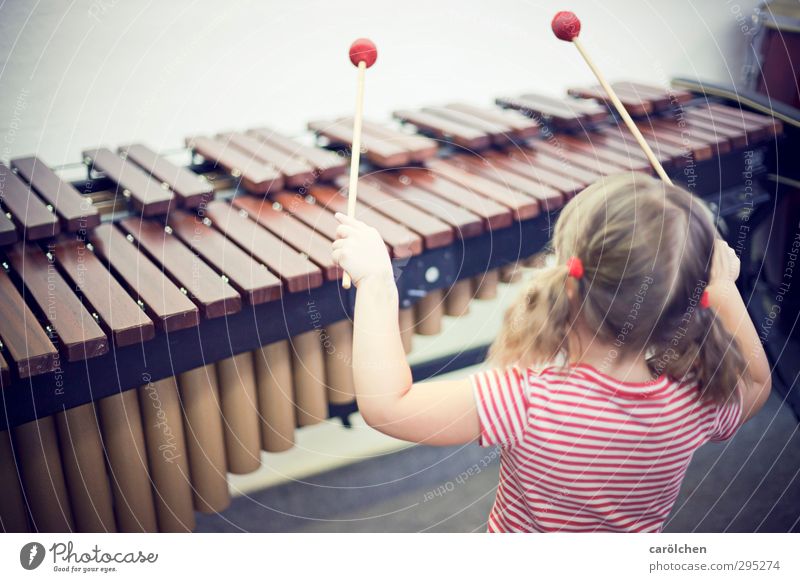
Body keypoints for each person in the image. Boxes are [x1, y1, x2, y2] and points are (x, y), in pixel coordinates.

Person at [329, 172, 772, 532]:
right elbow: (757, 382)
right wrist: (725, 289)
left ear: (570, 282)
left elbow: (388, 407)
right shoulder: (694, 403)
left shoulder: (528, 400)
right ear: (689, 304)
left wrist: (378, 284)